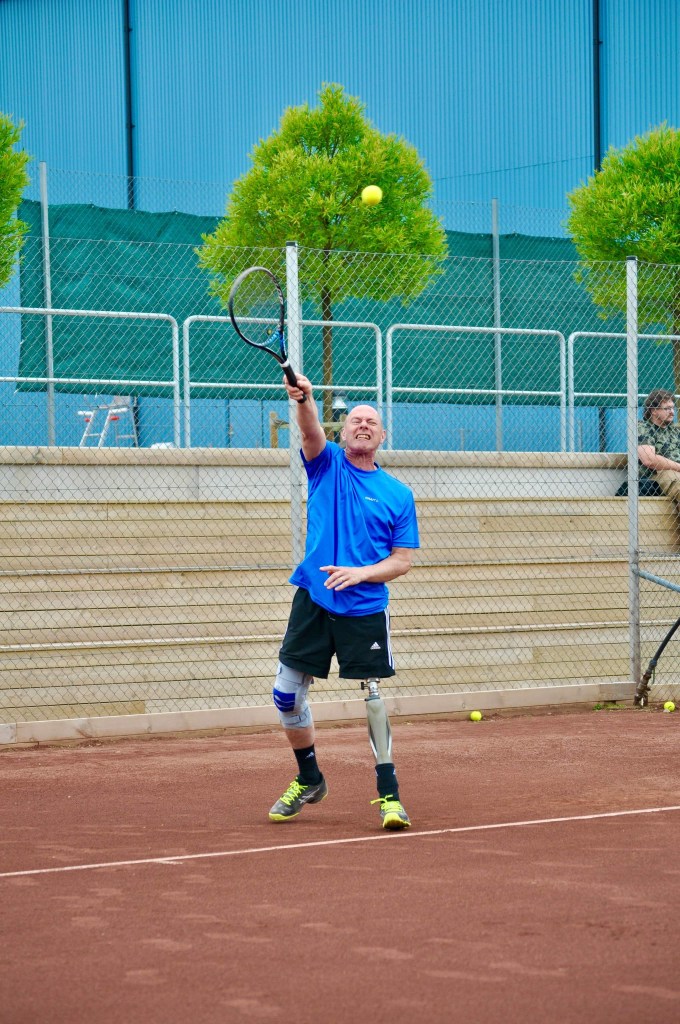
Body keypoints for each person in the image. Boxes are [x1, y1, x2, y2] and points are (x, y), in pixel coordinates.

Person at [268, 372, 420, 830]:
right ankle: (309, 779)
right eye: (356, 420)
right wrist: (304, 399)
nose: (363, 425)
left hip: (364, 607)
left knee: (373, 695)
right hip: (314, 598)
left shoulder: (398, 495)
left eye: (371, 422)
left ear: (382, 436)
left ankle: (390, 795)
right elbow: (309, 430)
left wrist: (361, 573)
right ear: (344, 431)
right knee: (286, 695)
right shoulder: (326, 463)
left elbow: (402, 560)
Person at [637, 389, 680, 500]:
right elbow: (649, 460)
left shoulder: (675, 431)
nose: (672, 412)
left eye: (673, 408)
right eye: (667, 408)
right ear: (654, 410)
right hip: (656, 475)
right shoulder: (644, 428)